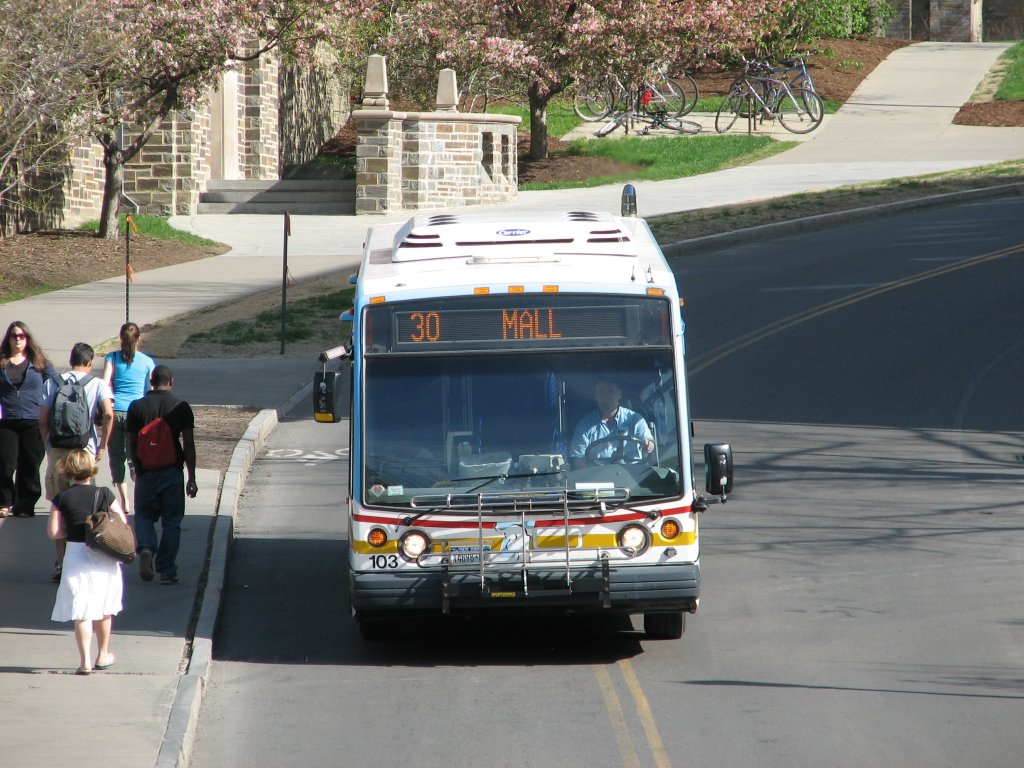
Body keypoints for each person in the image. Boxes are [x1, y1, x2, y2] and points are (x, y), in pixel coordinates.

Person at [40, 343, 114, 582]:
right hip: (84, 451)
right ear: (90, 363)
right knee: (85, 505)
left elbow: (43, 420)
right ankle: (84, 557)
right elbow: (109, 414)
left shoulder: (52, 383)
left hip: (58, 451)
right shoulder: (97, 384)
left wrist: (48, 445)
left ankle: (61, 562)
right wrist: (102, 445)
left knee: (59, 507)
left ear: (71, 360)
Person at [47, 449, 126, 675]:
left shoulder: (61, 498)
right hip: (103, 554)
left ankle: (85, 661)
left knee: (81, 610)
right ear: (91, 468)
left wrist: (71, 531)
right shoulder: (104, 493)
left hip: (76, 554)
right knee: (104, 607)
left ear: (67, 469)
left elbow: (53, 532)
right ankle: (103, 654)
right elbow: (121, 522)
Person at [126, 365, 197, 585]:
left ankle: (146, 547)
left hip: (146, 472)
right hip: (172, 472)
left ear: (151, 382)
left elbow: (131, 442)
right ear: (171, 383)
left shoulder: (136, 407)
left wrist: (135, 468)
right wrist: (192, 477)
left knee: (144, 516)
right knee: (172, 522)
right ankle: (167, 570)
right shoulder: (181, 407)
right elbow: (189, 444)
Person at [0, 321, 57, 518]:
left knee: (30, 464)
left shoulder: (39, 364)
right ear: (8, 339)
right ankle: (4, 501)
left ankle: (25, 504)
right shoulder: (2, 362)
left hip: (33, 421)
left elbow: (56, 385)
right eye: (14, 336)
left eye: (21, 336)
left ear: (27, 339)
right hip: (6, 421)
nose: (18, 339)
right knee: (5, 463)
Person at [102, 322, 156, 514]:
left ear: (120, 339)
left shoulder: (112, 358)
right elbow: (151, 389)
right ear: (138, 339)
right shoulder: (147, 362)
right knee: (136, 455)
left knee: (117, 455)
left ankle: (124, 500)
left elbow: (105, 384)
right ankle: (138, 490)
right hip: (137, 413)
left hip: (116, 412)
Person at [570, 379, 654, 469]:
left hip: (633, 475)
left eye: (610, 391)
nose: (605, 396)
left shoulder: (635, 419)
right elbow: (579, 460)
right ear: (595, 396)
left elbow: (650, 443)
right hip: (598, 476)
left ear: (619, 394)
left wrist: (649, 445)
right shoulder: (584, 425)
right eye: (601, 392)